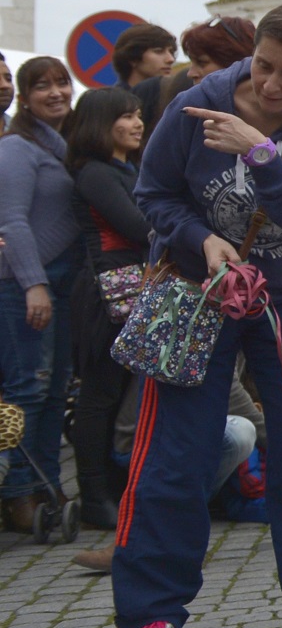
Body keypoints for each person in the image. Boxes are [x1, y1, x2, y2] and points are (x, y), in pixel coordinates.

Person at [116, 1, 282, 628]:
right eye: (262, 66)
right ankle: (152, 616)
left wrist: (259, 152)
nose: (271, 85)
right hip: (201, 296)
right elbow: (152, 194)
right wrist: (204, 240)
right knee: (179, 451)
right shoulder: (196, 106)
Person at [62, 87, 149, 534]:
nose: (136, 123)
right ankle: (94, 497)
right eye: (126, 116)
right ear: (100, 123)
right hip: (106, 293)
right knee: (99, 395)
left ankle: (115, 490)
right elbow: (138, 225)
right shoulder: (95, 172)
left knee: (120, 394)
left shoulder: (123, 168)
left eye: (137, 115)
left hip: (131, 286)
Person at [0, 56, 78, 535]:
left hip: (62, 282)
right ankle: (18, 495)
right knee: (28, 388)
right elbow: (11, 221)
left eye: (62, 83)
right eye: (41, 86)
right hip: (24, 284)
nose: (55, 92)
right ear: (26, 99)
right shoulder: (15, 149)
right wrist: (34, 284)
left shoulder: (59, 145)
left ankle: (49, 484)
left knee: (54, 390)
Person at [132, 17, 256, 139]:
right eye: (192, 62)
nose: (191, 73)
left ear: (236, 63)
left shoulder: (271, 115)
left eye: (202, 63)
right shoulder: (185, 110)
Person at [111, 23, 179, 92]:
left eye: (171, 52)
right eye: (158, 51)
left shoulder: (175, 99)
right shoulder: (111, 101)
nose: (171, 59)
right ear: (133, 58)